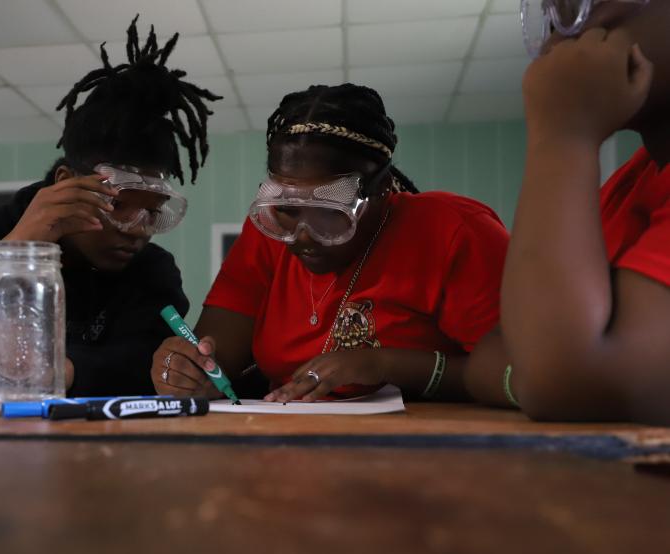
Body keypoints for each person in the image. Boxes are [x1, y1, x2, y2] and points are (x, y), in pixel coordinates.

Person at [0, 18, 220, 397]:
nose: (137, 229)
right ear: (65, 183)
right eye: (119, 205)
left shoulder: (150, 269)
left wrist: (62, 370)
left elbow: (150, 365)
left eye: (152, 211)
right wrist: (11, 252)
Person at [151, 83, 510, 403]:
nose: (302, 235)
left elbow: (523, 377)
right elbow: (217, 358)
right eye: (287, 210)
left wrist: (386, 364)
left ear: (381, 189)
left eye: (328, 212)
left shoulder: (453, 232)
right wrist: (189, 372)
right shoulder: (265, 234)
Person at [464, 0, 670, 424]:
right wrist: (538, 370)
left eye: (581, 5)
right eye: (551, 15)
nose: (560, 37)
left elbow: (565, 378)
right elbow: (495, 352)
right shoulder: (632, 184)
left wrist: (563, 135)